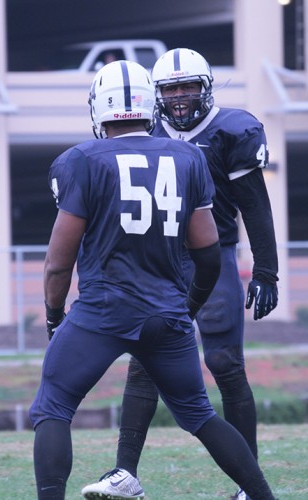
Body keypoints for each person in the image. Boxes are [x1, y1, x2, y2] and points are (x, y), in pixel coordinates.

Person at [28, 60, 276, 500]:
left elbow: (57, 263)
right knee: (200, 414)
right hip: (166, 309)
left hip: (103, 310)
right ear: (150, 101)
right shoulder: (187, 158)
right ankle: (261, 496)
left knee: (54, 406)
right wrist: (188, 304)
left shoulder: (80, 160)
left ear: (98, 107)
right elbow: (207, 251)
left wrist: (53, 316)